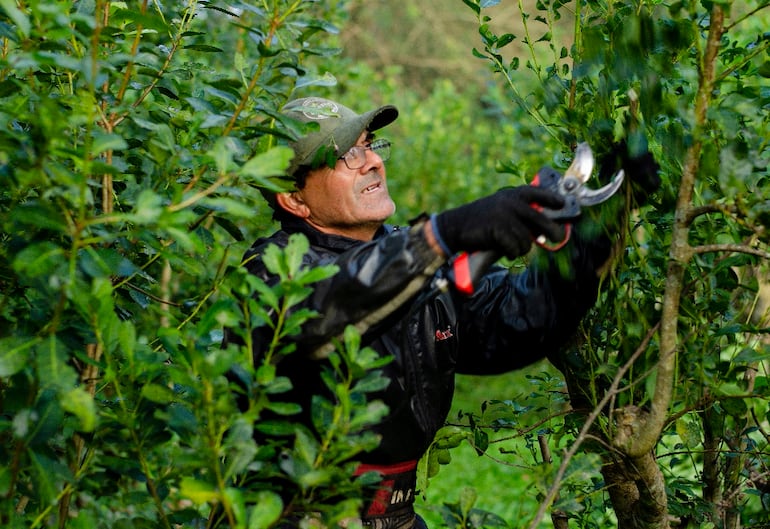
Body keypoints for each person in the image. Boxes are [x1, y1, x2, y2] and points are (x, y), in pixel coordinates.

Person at [225, 96, 658, 529]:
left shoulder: (416, 264)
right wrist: (441, 235)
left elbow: (519, 322)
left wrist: (599, 228)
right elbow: (333, 304)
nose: (372, 161)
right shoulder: (269, 274)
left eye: (370, 144)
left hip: (396, 517)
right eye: (346, 155)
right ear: (294, 198)